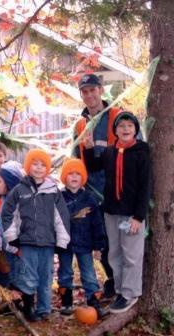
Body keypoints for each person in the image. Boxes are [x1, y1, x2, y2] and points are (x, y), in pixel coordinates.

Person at [83, 112, 150, 313]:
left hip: (131, 214)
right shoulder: (111, 152)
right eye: (122, 126)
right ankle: (120, 291)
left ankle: (130, 293)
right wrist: (88, 149)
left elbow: (145, 186)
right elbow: (94, 167)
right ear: (116, 130)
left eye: (130, 126)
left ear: (135, 130)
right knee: (115, 253)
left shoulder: (141, 152)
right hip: (111, 211)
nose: (126, 129)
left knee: (131, 255)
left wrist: (139, 216)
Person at [1, 149, 70, 322]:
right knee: (28, 276)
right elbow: (8, 214)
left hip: (47, 242)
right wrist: (12, 237)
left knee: (46, 276)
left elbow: (61, 217)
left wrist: (62, 240)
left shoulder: (53, 191)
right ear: (28, 166)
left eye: (42, 165)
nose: (38, 168)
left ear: (47, 169)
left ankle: (44, 309)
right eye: (35, 164)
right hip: (26, 241)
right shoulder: (19, 190)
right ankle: (29, 307)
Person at [73, 73, 122, 298]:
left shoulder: (117, 117)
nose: (90, 95)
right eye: (85, 91)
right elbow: (76, 161)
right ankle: (112, 281)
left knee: (120, 242)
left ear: (101, 90)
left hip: (116, 191)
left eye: (93, 89)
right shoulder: (80, 125)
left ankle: (124, 285)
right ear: (81, 95)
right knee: (101, 241)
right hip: (92, 193)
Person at [57, 158, 106, 318]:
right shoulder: (59, 198)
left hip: (85, 243)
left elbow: (97, 223)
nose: (74, 177)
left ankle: (93, 301)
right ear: (65, 177)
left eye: (78, 174)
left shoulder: (89, 199)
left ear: (83, 177)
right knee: (65, 272)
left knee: (89, 273)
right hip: (65, 243)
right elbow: (54, 221)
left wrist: (99, 245)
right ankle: (66, 301)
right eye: (70, 173)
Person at [0, 160, 24, 288]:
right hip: (6, 248)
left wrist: (18, 243)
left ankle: (26, 303)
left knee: (21, 276)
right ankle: (11, 301)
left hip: (20, 249)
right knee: (10, 274)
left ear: (10, 183)